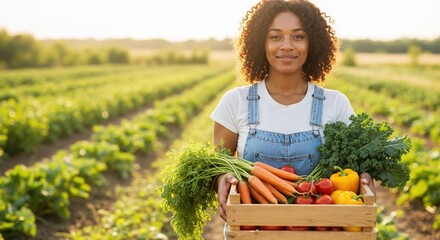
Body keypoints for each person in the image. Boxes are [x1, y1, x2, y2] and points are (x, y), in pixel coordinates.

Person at [210, 0, 376, 225]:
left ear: (312, 43)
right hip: (253, 231)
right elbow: (219, 165)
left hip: (319, 231)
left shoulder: (335, 103)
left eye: (298, 36)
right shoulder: (235, 102)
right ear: (261, 42)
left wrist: (365, 180)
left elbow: (354, 172)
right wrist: (222, 179)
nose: (286, 45)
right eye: (275, 36)